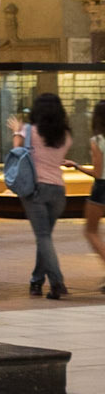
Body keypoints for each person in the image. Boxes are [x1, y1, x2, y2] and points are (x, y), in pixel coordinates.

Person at [12, 90, 72, 298]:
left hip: (36, 190)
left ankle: (57, 283)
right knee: (44, 238)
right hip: (58, 191)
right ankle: (36, 281)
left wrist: (16, 131)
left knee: (43, 237)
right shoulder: (65, 135)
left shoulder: (29, 130)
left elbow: (17, 153)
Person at [85, 99, 105, 290]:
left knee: (91, 231)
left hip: (101, 189)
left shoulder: (97, 141)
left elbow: (98, 173)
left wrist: (77, 167)